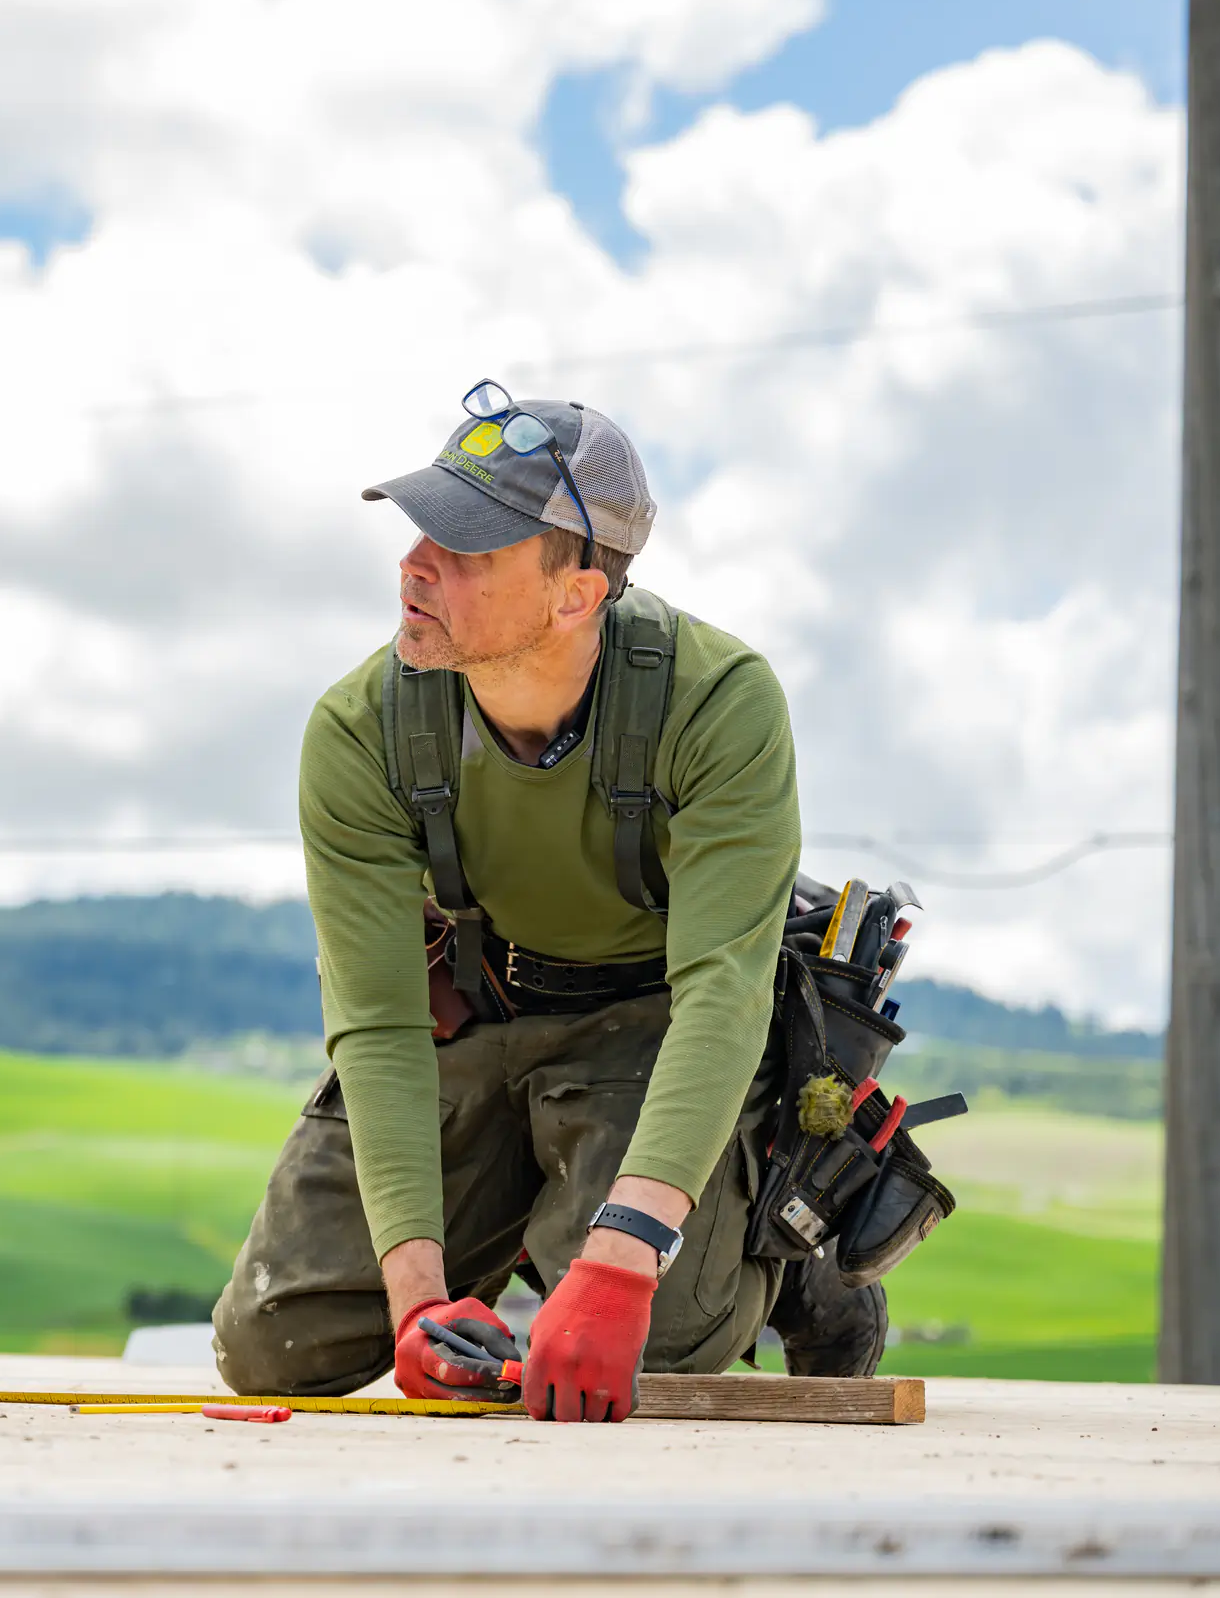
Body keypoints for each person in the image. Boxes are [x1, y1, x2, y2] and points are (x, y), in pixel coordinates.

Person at [213, 382, 825, 1421]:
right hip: (478, 1022)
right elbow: (378, 1023)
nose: (415, 565)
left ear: (576, 595)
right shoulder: (361, 731)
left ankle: (797, 1267)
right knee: (273, 1344)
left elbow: (725, 991)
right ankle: (525, 1238)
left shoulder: (720, 702)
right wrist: (418, 1306)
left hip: (650, 1027)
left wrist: (626, 1261)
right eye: (421, 531)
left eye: (469, 550)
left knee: (658, 1341)